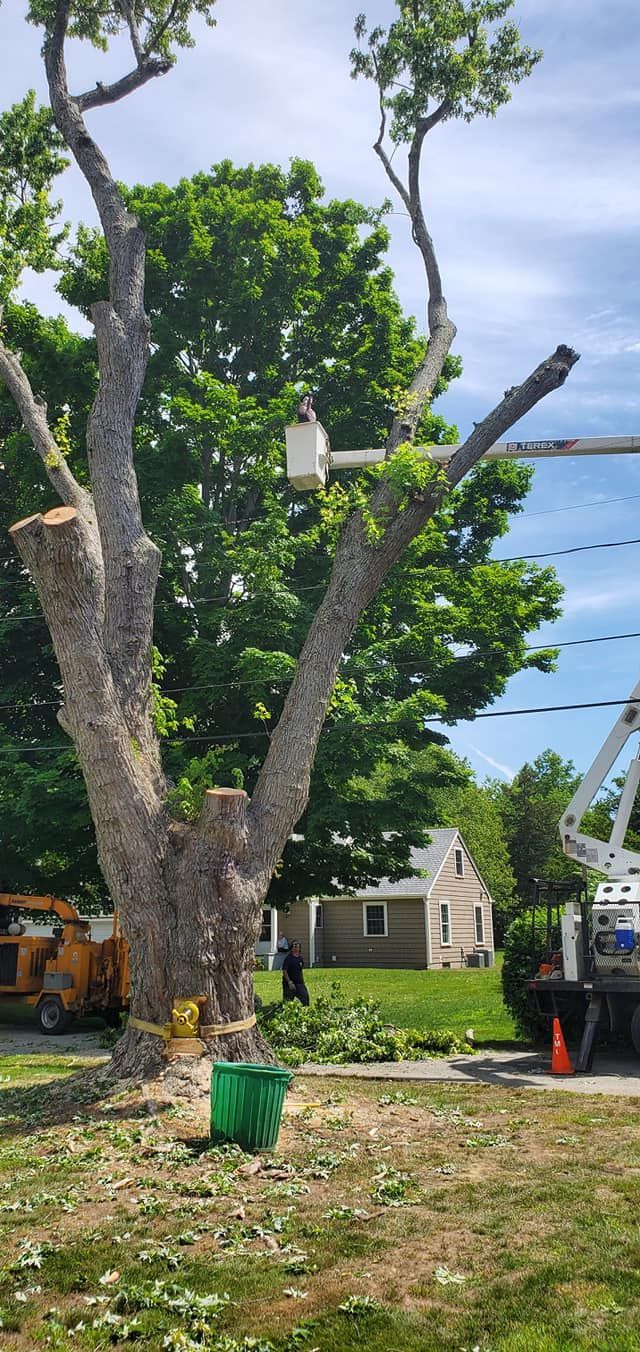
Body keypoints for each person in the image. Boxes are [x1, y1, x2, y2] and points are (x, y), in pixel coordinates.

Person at [282, 941, 310, 1006]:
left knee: (305, 999)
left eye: (298, 946)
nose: (296, 948)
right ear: (292, 948)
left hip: (300, 984)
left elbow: (300, 970)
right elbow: (284, 971)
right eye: (295, 946)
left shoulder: (300, 958)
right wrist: (289, 982)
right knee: (287, 1003)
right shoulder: (288, 958)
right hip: (289, 985)